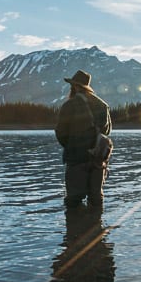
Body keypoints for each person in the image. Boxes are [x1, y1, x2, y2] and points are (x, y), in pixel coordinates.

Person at [55, 69, 112, 208]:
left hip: (76, 160)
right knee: (96, 199)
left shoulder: (69, 105)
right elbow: (107, 131)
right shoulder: (103, 105)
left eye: (71, 85)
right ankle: (96, 226)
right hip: (98, 160)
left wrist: (71, 146)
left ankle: (76, 227)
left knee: (73, 201)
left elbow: (61, 133)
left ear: (75, 86)